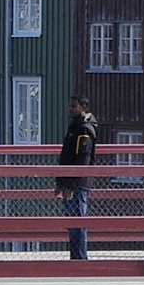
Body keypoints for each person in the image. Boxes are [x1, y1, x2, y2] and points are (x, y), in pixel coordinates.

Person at [56, 96, 98, 261]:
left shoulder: (84, 129)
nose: (70, 109)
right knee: (73, 223)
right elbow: (66, 157)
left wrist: (72, 184)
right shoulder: (75, 127)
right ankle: (76, 257)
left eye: (74, 106)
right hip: (70, 181)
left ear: (84, 107)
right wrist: (61, 182)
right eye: (70, 106)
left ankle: (80, 259)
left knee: (78, 222)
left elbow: (83, 159)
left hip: (77, 183)